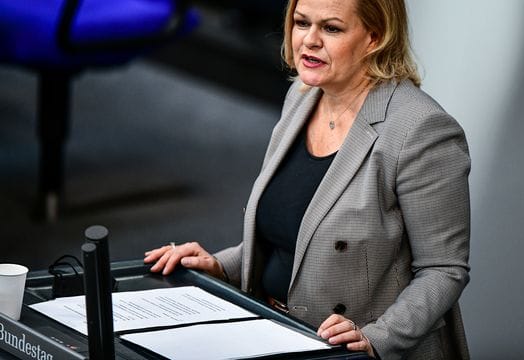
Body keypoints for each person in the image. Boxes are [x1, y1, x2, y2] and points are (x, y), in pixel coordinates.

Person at [144, 0, 471, 358]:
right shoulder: (302, 95)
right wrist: (222, 265)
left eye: (331, 28)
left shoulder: (421, 130)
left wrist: (379, 337)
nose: (309, 40)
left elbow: (443, 269)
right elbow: (295, 238)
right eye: (302, 23)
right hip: (275, 331)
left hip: (352, 352)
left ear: (375, 37)